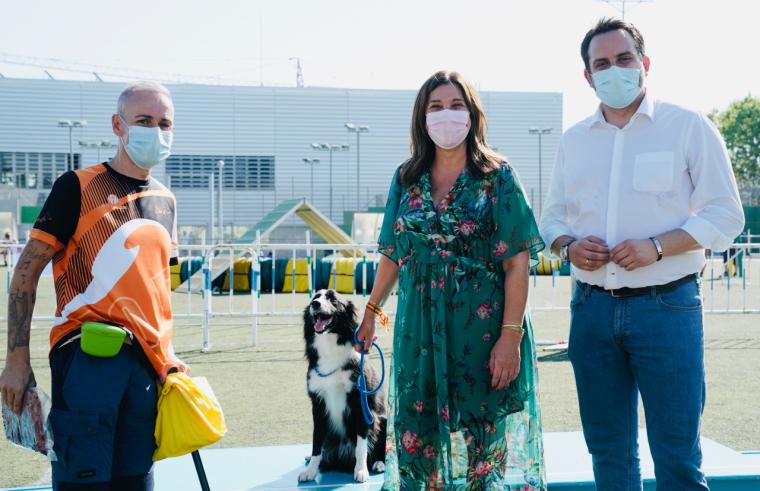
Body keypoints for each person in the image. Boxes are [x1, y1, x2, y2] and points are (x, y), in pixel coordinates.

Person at [540, 18, 744, 490]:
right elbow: (550, 220)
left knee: (677, 456)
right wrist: (569, 246)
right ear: (588, 77)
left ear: (645, 64)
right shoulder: (573, 140)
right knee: (609, 455)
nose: (615, 70)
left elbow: (726, 215)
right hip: (591, 310)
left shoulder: (688, 126)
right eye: (602, 64)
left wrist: (657, 247)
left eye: (624, 59)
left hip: (667, 307)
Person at [356, 71, 546, 490]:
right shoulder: (405, 178)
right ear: (422, 118)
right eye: (436, 107)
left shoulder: (498, 177)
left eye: (456, 105)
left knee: (481, 451)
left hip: (485, 335)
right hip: (418, 335)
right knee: (416, 445)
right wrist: (370, 314)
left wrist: (510, 338)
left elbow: (518, 263)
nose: (447, 115)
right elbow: (392, 254)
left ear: (473, 115)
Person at [0, 81, 187, 491]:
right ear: (118, 125)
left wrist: (168, 360)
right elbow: (25, 272)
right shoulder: (77, 186)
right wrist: (16, 361)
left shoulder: (166, 201)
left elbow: (156, 289)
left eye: (164, 123)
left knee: (137, 481)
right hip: (86, 357)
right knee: (83, 482)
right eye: (144, 120)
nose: (155, 131)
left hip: (146, 369)